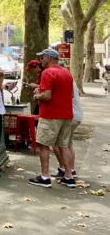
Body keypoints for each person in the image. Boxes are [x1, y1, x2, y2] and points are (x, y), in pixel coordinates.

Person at [28, 48, 75, 188]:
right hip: (66, 114)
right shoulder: (66, 72)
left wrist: (37, 95)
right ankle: (69, 176)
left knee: (44, 145)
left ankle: (45, 177)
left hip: (50, 115)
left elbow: (47, 95)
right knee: (63, 145)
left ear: (48, 58)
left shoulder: (48, 72)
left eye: (42, 57)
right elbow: (70, 95)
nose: (41, 60)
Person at [52, 80, 83, 180]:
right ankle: (71, 170)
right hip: (77, 115)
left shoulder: (63, 80)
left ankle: (65, 169)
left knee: (57, 143)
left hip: (70, 115)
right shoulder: (70, 80)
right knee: (68, 143)